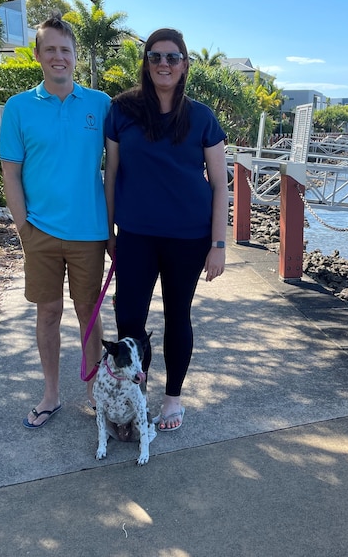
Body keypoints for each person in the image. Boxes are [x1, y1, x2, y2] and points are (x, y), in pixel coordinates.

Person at [103, 28, 228, 432]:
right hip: (136, 235)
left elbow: (221, 183)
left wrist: (219, 244)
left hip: (188, 239)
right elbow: (111, 175)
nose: (163, 64)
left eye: (172, 58)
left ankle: (172, 399)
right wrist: (109, 232)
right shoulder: (122, 110)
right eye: (155, 56)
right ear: (146, 62)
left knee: (178, 316)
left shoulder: (202, 117)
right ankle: (133, 395)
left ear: (185, 65)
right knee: (129, 320)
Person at [0, 14, 110, 428]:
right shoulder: (19, 107)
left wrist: (113, 228)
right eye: (51, 50)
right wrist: (23, 227)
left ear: (75, 55)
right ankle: (51, 394)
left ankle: (93, 392)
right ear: (38, 55)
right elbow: (11, 172)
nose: (58, 57)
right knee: (47, 312)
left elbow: (114, 170)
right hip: (40, 231)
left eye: (66, 50)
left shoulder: (101, 105)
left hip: (90, 233)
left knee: (88, 313)